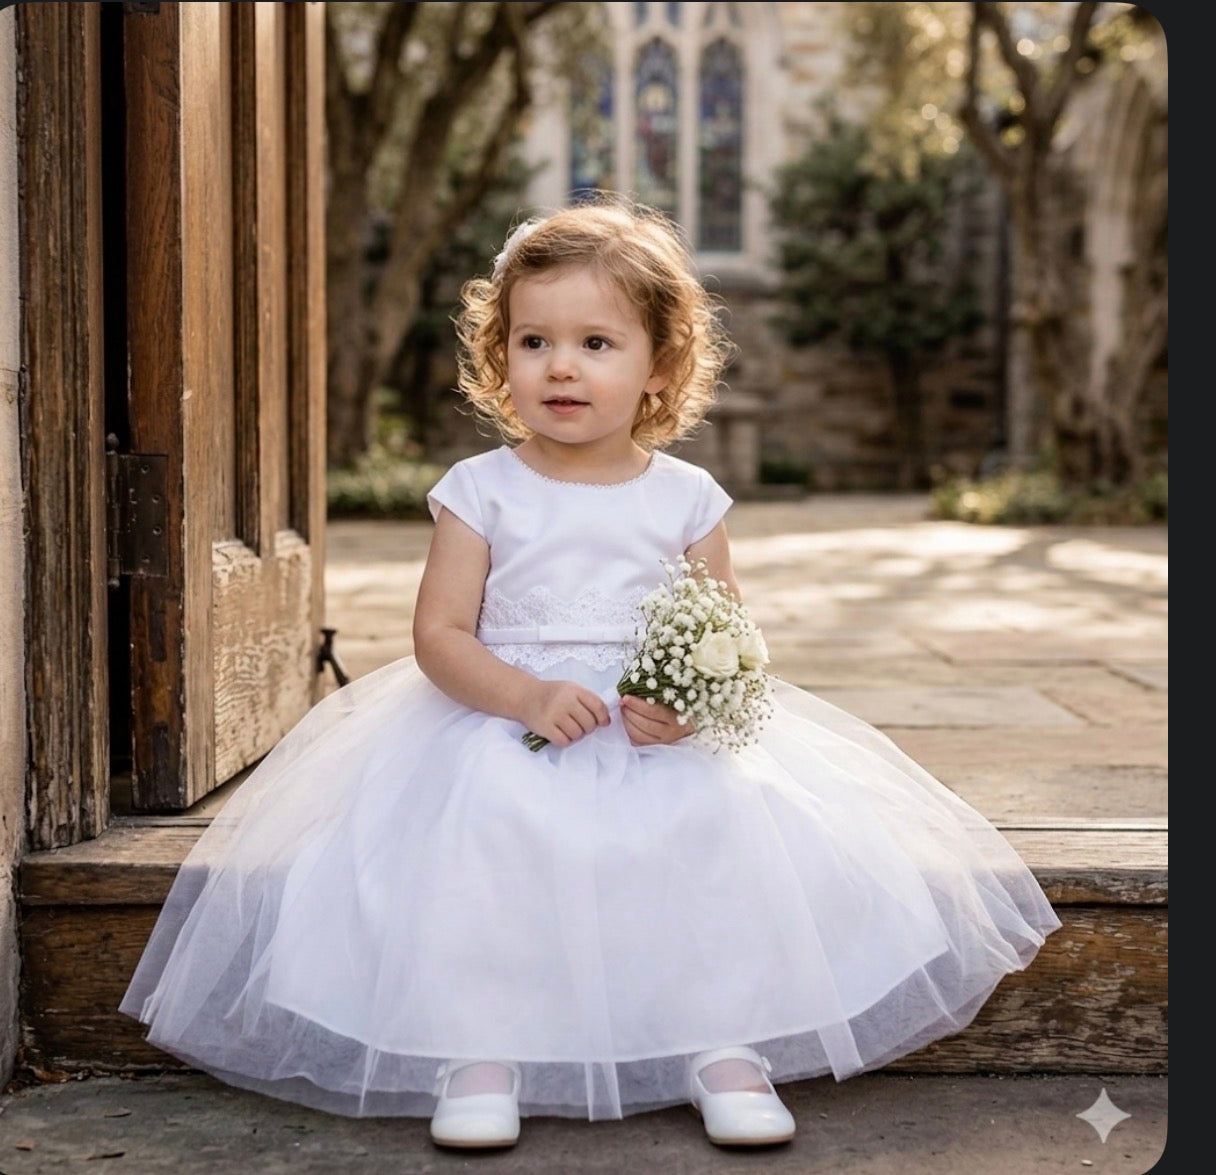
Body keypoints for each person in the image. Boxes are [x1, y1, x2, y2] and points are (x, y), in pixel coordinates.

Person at [120, 194, 1061, 1151]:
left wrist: (690, 711)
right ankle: (478, 1046)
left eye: (596, 343)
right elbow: (441, 635)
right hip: (504, 720)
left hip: (649, 736)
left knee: (715, 827)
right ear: (502, 359)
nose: (561, 365)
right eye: (534, 341)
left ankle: (721, 1041)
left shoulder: (686, 496)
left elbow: (724, 639)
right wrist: (523, 695)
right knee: (486, 830)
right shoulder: (482, 492)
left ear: (658, 367)